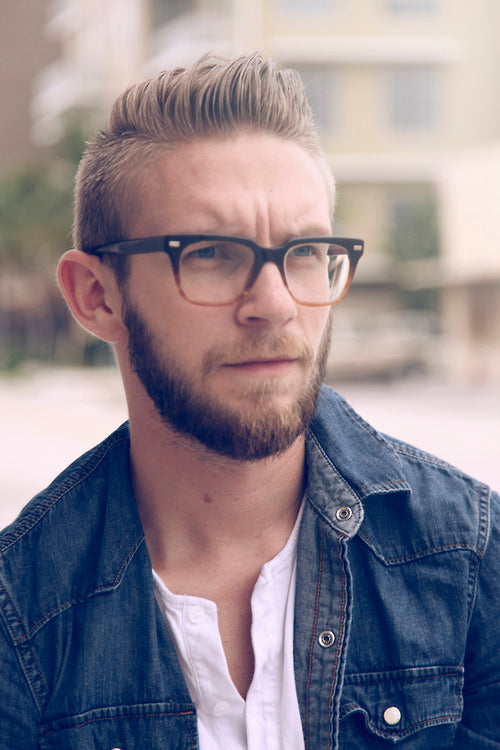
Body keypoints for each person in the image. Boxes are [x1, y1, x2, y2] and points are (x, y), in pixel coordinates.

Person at [0, 53, 498, 750]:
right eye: (210, 253)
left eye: (304, 251)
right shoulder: (20, 611)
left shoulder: (471, 560)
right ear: (97, 295)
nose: (275, 304)